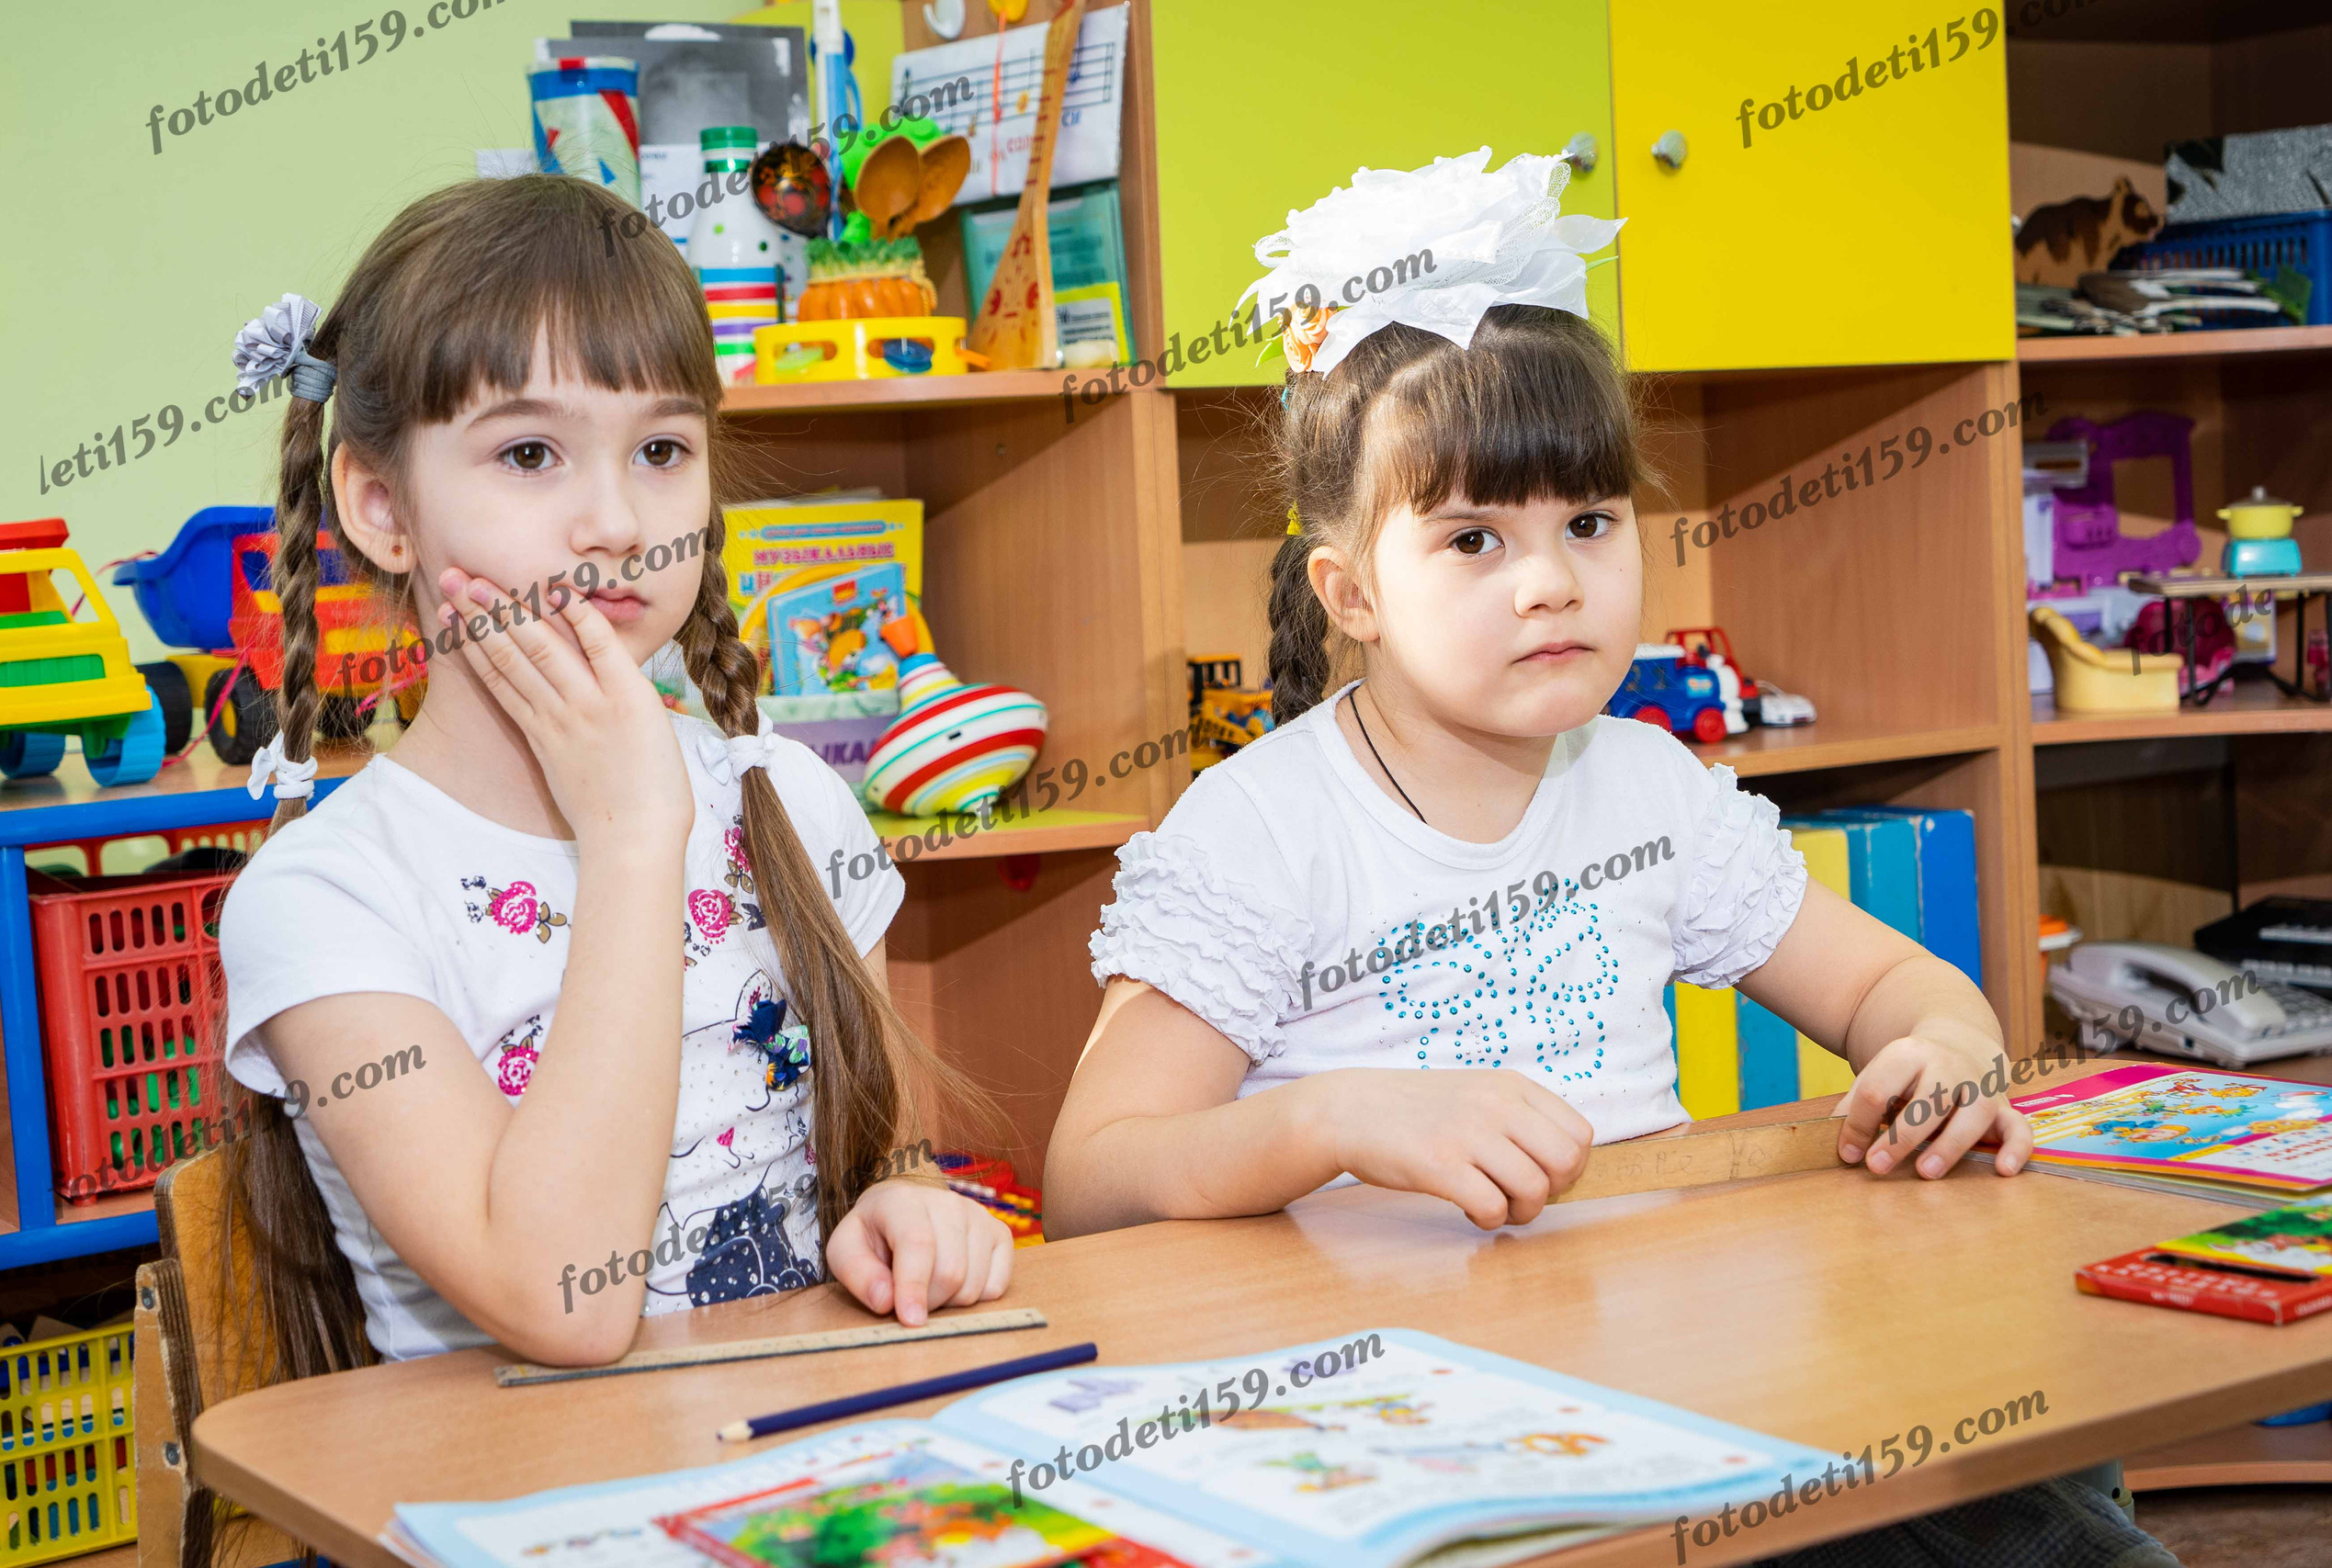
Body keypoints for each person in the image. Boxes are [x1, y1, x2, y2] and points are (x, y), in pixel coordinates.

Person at [1044, 148, 2173, 1568]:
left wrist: (1943, 1051)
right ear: (1352, 593)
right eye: (1473, 539)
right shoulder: (1260, 830)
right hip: (1394, 1437)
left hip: (1679, 1386)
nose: (1550, 581)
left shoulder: (1648, 787)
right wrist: (1335, 1121)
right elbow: (1090, 1182)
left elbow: (1897, 988)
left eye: (1588, 522)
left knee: (2050, 1520)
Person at [214, 175, 1009, 1374]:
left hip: (807, 1442)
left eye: (662, 449)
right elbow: (564, 1309)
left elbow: (880, 1147)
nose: (619, 522)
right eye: (531, 452)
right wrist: (635, 834)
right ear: (380, 506)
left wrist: (908, 1204)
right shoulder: (325, 899)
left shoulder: (788, 798)